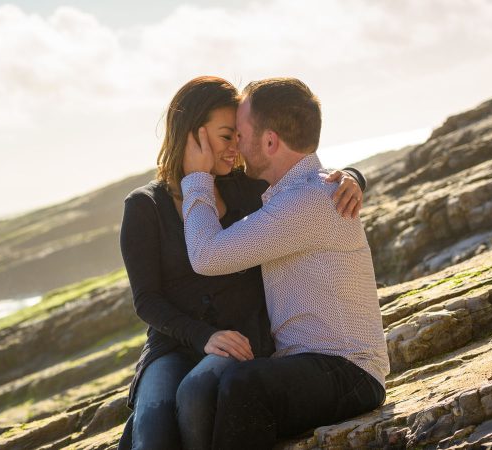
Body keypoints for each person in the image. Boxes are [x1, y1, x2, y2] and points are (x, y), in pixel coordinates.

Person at [117, 76, 367, 450]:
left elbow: (301, 180)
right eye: (225, 136)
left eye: (238, 135)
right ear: (191, 135)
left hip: (242, 341)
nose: (236, 147)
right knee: (152, 428)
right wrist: (203, 337)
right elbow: (146, 300)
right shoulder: (144, 207)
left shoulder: (247, 187)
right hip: (174, 345)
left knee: (196, 396)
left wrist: (353, 177)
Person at [180, 77, 389, 449]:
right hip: (316, 368)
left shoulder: (306, 200)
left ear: (270, 141)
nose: (237, 145)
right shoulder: (298, 191)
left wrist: (196, 178)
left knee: (245, 384)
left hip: (348, 370)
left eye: (241, 134)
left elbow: (206, 255)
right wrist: (357, 175)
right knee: (217, 393)